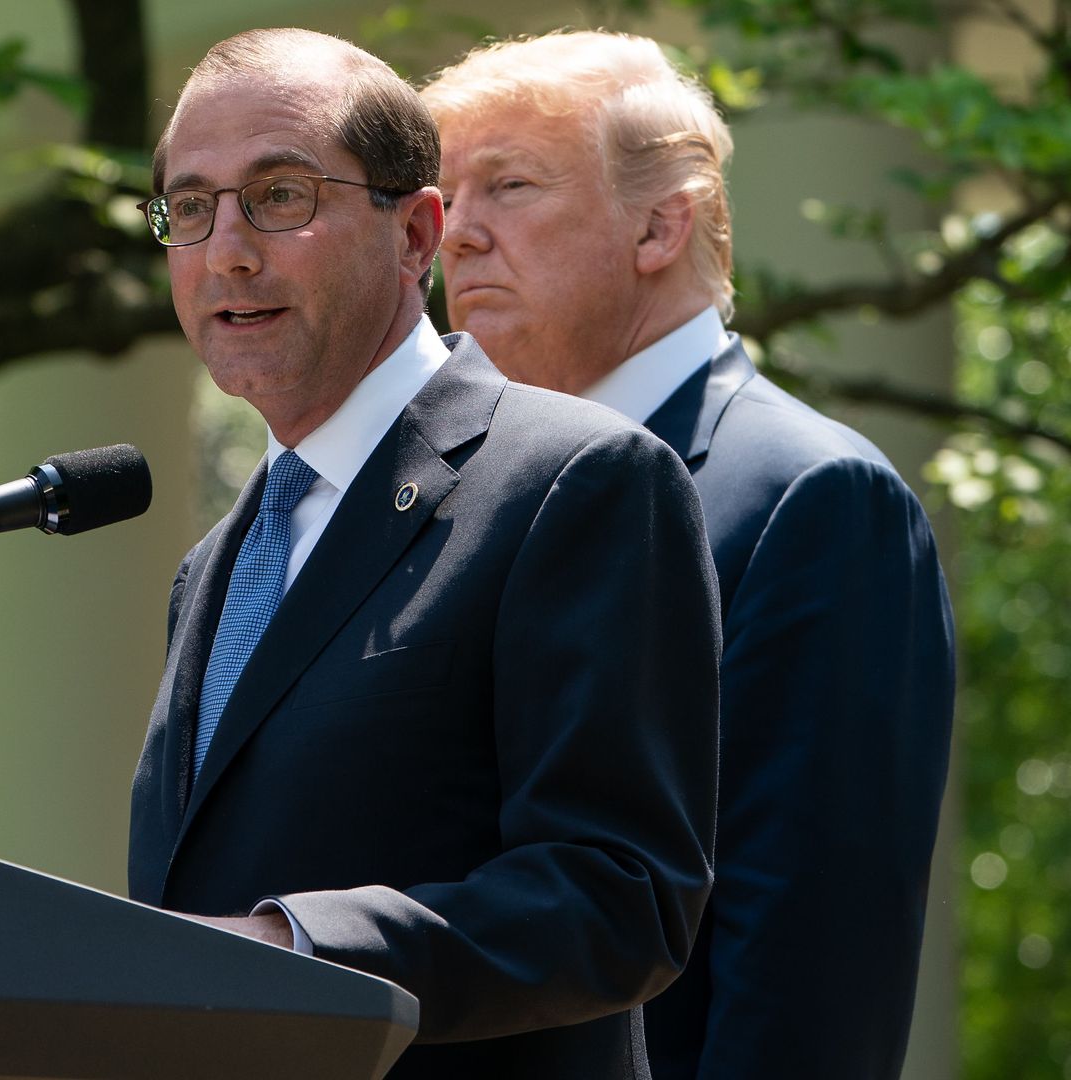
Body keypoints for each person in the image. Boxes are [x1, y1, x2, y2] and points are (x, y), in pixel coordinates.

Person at [126, 28, 722, 1077]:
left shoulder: (575, 483)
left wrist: (298, 949)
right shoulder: (216, 565)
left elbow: (620, 895)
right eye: (190, 208)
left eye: (280, 196)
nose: (227, 250)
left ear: (415, 235)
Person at [423, 31, 955, 1079]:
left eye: (509, 186)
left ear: (660, 225)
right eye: (446, 199)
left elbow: (812, 980)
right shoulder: (451, 493)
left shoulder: (813, 500)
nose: (458, 235)